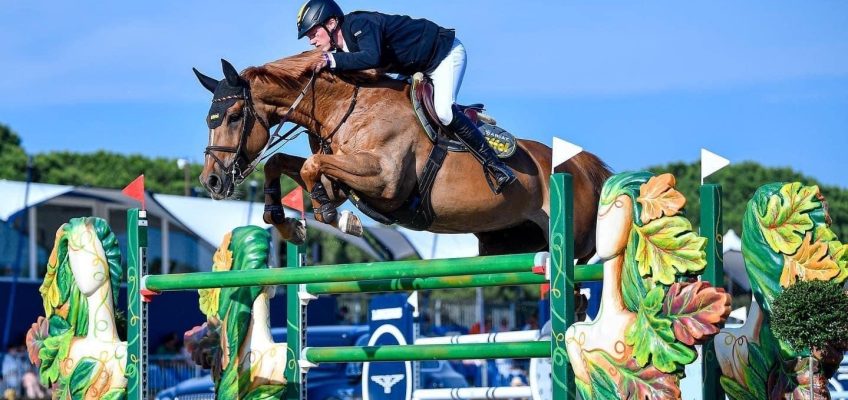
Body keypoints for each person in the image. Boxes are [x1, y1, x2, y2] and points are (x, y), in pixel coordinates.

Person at [296, 0, 516, 194]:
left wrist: (330, 61)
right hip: (415, 67)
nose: (311, 41)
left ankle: (495, 165)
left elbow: (372, 57)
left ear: (332, 23)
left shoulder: (360, 24)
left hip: (443, 55)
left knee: (444, 112)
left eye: (313, 33)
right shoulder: (342, 47)